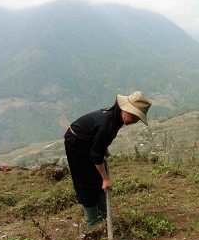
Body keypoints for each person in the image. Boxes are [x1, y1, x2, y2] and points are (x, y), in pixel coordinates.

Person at [64, 91, 152, 229]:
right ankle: (92, 222)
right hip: (77, 143)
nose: (135, 121)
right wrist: (105, 178)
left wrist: (103, 148)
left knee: (97, 176)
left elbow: (100, 140)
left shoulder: (116, 118)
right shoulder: (107, 124)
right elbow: (96, 154)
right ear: (126, 110)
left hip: (89, 141)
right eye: (135, 117)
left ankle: (104, 213)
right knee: (87, 180)